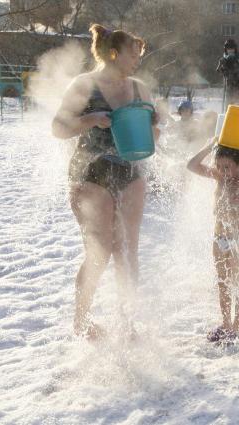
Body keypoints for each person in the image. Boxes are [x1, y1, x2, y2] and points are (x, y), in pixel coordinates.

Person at [52, 24, 157, 340]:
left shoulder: (140, 88)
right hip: (90, 173)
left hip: (130, 172)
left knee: (128, 250)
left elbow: (155, 129)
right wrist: (90, 120)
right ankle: (82, 322)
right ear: (114, 53)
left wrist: (155, 130)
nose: (137, 59)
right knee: (100, 251)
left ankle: (127, 323)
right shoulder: (85, 85)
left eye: (139, 53)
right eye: (133, 53)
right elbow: (58, 128)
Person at [187, 138, 239, 345]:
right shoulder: (219, 178)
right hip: (219, 238)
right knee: (223, 283)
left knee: (238, 282)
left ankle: (238, 327)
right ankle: (226, 324)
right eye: (219, 165)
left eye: (227, 166)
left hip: (237, 239)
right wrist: (210, 145)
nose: (222, 170)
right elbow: (191, 165)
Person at [216, 39, 239, 106]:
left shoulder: (238, 58)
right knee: (229, 104)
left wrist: (237, 74)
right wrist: (223, 70)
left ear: (235, 49)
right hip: (229, 85)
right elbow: (218, 70)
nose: (230, 51)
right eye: (228, 49)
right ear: (226, 50)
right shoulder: (223, 59)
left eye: (232, 49)